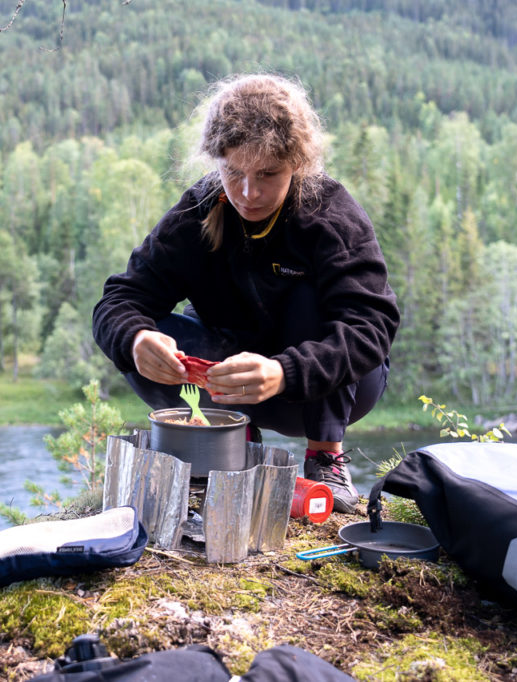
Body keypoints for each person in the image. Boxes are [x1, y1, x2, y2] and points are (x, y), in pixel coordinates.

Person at [91, 74, 399, 513]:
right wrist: (138, 341)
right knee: (139, 335)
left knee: (315, 302)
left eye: (268, 174)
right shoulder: (198, 212)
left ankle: (325, 457)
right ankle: (232, 442)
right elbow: (120, 299)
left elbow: (371, 328)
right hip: (227, 385)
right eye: (233, 173)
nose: (248, 193)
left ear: (297, 164)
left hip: (322, 391)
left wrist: (283, 372)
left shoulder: (330, 214)